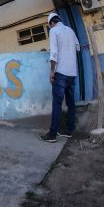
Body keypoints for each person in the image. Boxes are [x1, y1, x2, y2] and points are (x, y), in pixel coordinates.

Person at [40, 13, 80, 143]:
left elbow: (54, 53)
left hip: (61, 72)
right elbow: (78, 48)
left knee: (57, 104)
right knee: (71, 103)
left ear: (51, 23)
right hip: (72, 73)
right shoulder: (70, 30)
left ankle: (52, 135)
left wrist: (52, 72)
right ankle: (69, 130)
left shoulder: (53, 31)